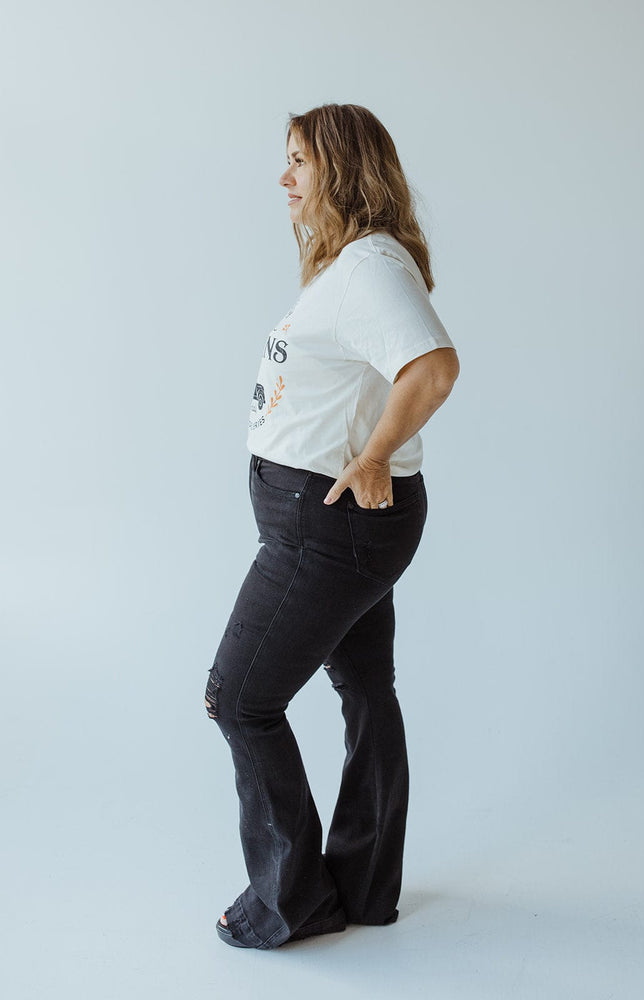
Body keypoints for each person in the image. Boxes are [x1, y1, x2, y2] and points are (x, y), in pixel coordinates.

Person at [205, 103, 460, 950]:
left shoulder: (369, 266)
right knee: (362, 688)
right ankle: (362, 883)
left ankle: (293, 899)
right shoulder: (350, 263)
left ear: (342, 169)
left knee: (238, 700)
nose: (284, 178)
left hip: (328, 531)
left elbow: (432, 366)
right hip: (335, 529)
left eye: (299, 161)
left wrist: (377, 452)